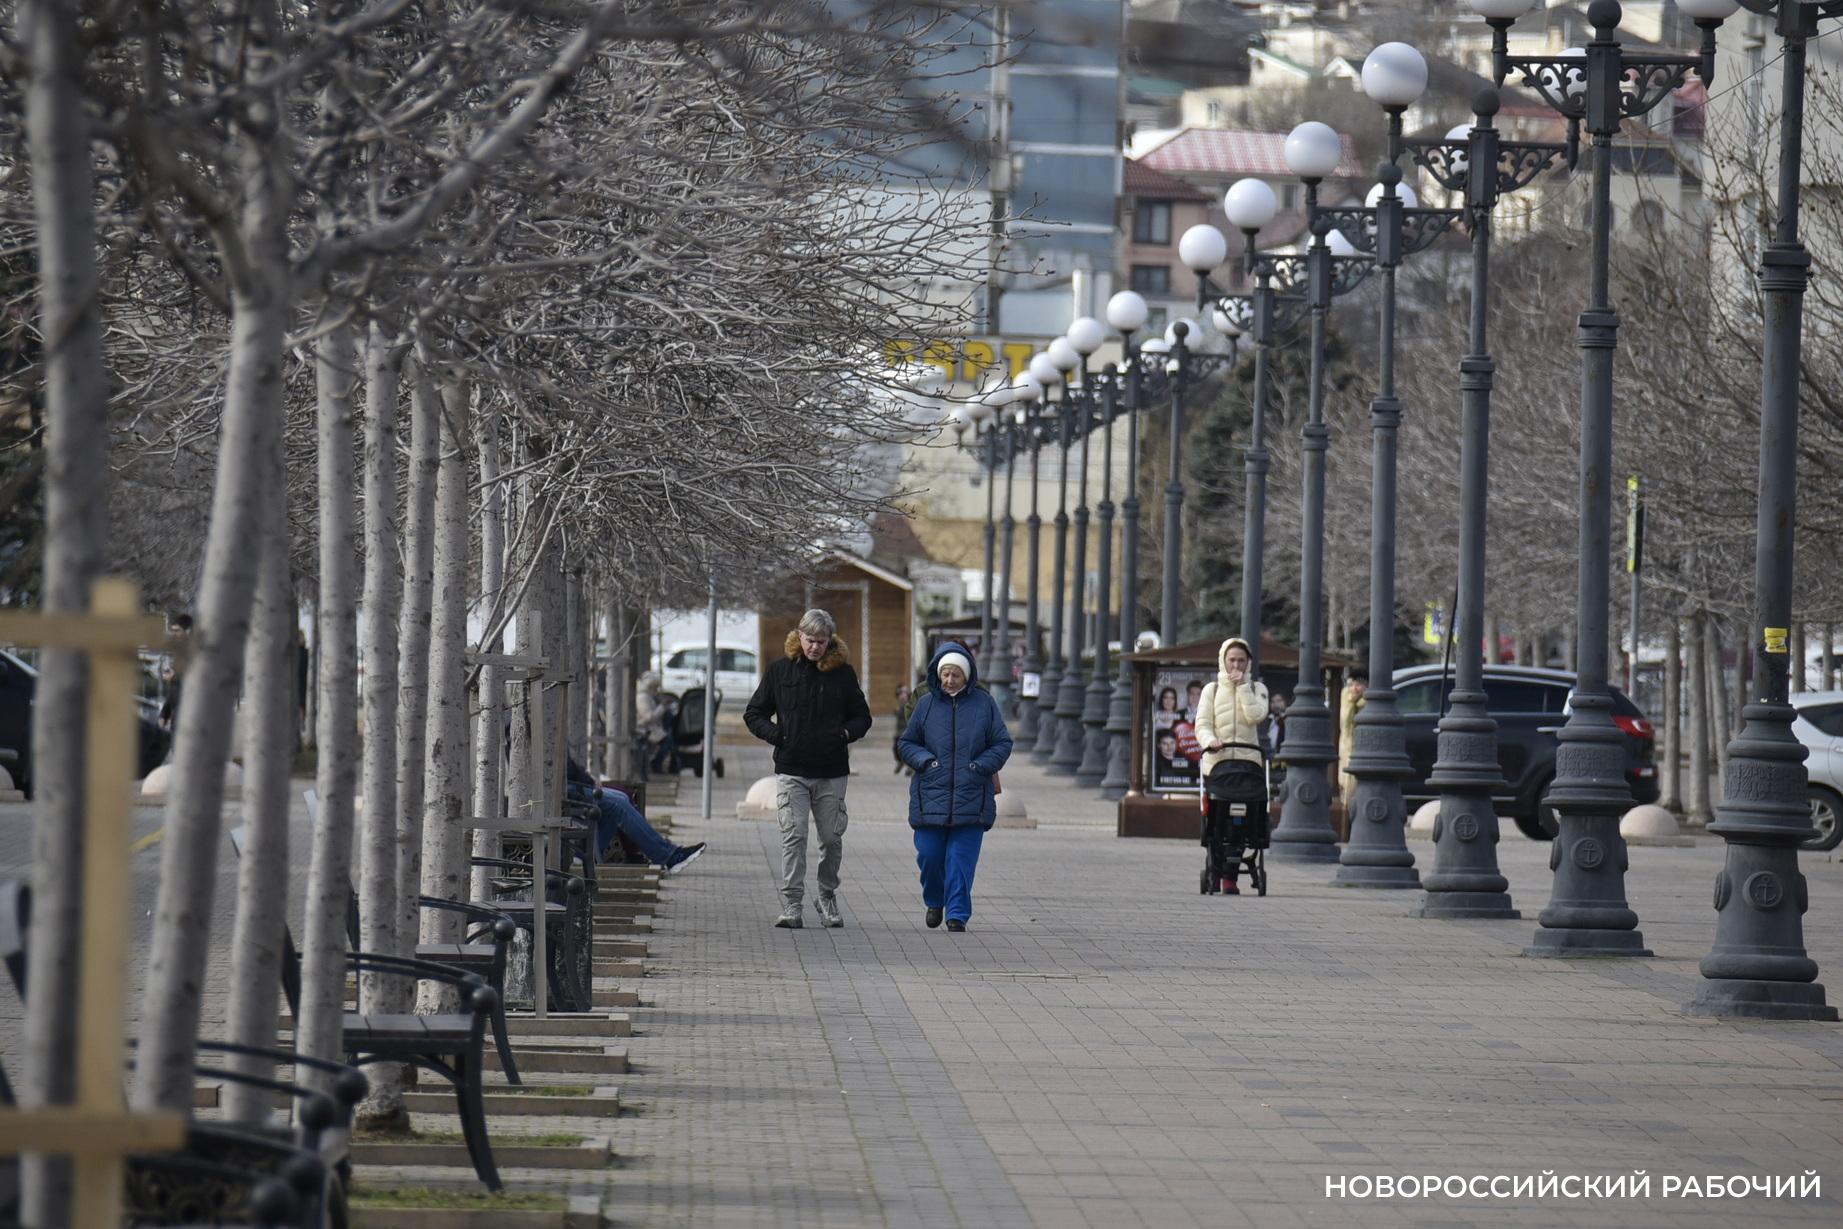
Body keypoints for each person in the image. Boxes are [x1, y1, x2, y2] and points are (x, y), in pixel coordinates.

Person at [743, 609, 873, 929]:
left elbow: (862, 717)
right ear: (799, 636)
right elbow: (754, 713)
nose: (814, 647)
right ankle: (792, 903)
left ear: (830, 641)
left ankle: (826, 894)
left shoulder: (843, 674)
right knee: (794, 834)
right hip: (792, 770)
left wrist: (844, 733)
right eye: (809, 640)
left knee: (830, 838)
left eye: (821, 641)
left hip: (831, 770)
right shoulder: (780, 671)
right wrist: (778, 735)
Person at [896, 643, 1012, 932]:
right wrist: (926, 761)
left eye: (955, 675)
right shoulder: (925, 705)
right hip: (930, 795)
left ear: (966, 676)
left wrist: (979, 766)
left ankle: (957, 914)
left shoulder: (984, 704)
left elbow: (1002, 743)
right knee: (929, 856)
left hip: (972, 795)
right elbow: (907, 743)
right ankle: (935, 900)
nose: (949, 680)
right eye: (945, 674)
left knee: (961, 860)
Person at [1196, 637, 1270, 894]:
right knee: (1218, 821)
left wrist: (1243, 688)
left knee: (1244, 823)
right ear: (1223, 661)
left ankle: (1231, 877)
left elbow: (1256, 716)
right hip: (1219, 765)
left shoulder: (1257, 688)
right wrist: (1210, 741)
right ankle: (1216, 871)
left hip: (1248, 766)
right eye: (1232, 660)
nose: (1236, 665)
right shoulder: (1212, 690)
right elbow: (1202, 724)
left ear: (1248, 662)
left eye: (1241, 660)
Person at [564, 756, 705, 873]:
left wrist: (588, 779)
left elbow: (568, 764)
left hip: (570, 786)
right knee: (617, 804)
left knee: (621, 797)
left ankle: (585, 855)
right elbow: (567, 766)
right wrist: (589, 781)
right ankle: (668, 856)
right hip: (566, 791)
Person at [635, 671, 675, 774]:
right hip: (644, 728)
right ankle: (656, 762)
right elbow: (649, 717)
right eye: (655, 688)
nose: (656, 690)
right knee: (668, 741)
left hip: (651, 727)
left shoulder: (648, 696)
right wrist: (662, 706)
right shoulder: (643, 697)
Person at [1339, 671, 1369, 804]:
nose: (1354, 689)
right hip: (1345, 751)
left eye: (1358, 685)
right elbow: (1345, 723)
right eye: (1351, 685)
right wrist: (1350, 703)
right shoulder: (1346, 700)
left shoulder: (1369, 703)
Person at [892, 684, 911, 774]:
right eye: (900, 693)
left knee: (907, 750)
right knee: (896, 749)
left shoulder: (910, 705)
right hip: (899, 732)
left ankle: (910, 767)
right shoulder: (899, 706)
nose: (902, 696)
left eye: (905, 693)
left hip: (907, 732)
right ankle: (900, 762)